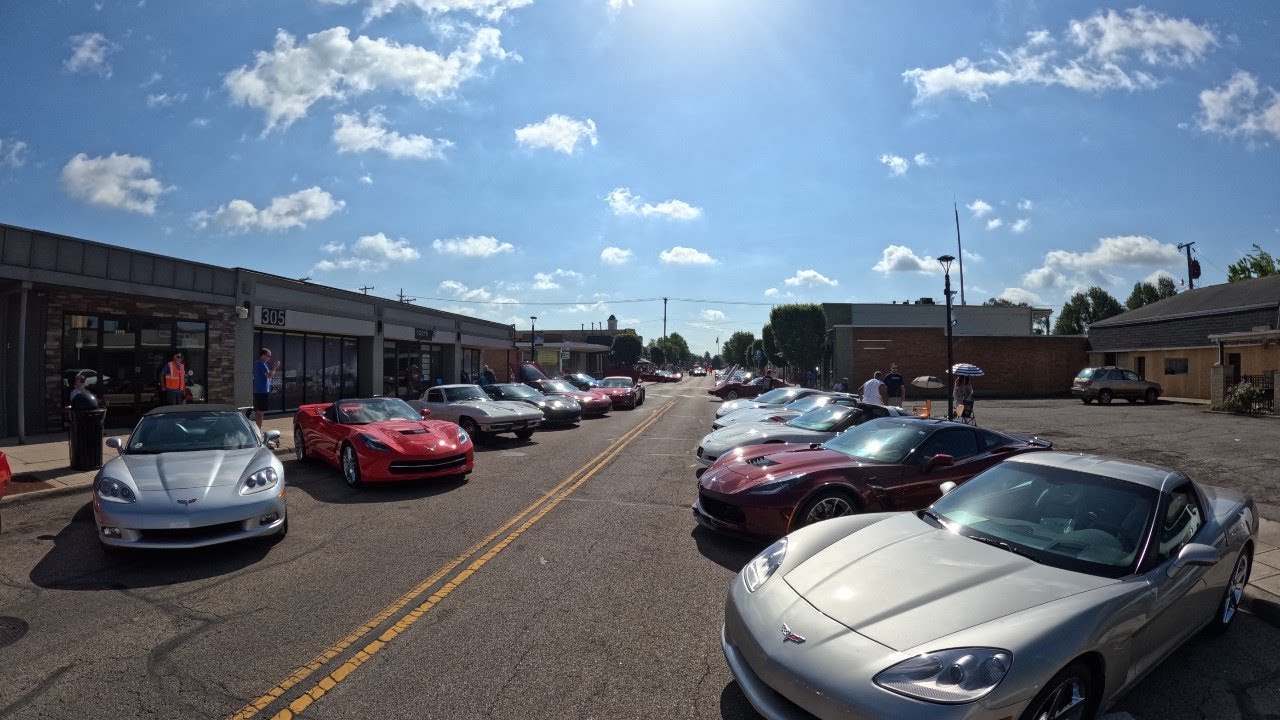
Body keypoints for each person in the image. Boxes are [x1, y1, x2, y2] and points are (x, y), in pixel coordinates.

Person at [253, 348, 281, 431]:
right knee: (260, 412)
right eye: (268, 356)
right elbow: (269, 375)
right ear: (263, 355)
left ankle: (257, 430)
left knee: (259, 411)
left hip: (259, 390)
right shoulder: (261, 364)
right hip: (262, 391)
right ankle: (258, 431)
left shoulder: (257, 363)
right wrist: (275, 367)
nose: (269, 358)